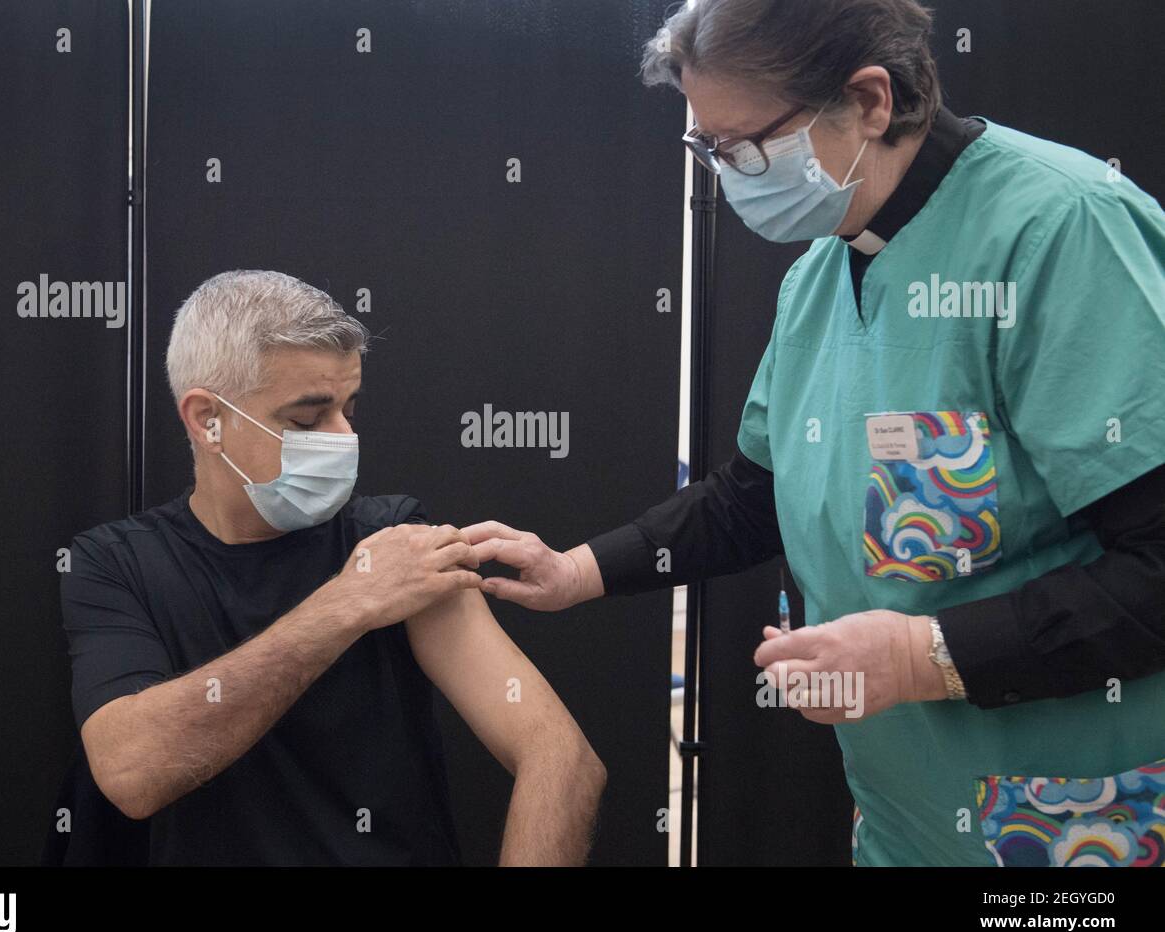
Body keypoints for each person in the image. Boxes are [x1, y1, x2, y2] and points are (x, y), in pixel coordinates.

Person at [466, 0, 1165, 866]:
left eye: (743, 147)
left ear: (870, 100)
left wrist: (923, 655)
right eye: (706, 148)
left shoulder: (1062, 230)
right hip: (907, 816)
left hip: (1078, 823)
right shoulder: (821, 275)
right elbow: (756, 497)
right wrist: (575, 570)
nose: (725, 173)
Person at [60, 270, 605, 865]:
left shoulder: (397, 541)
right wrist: (347, 605)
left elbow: (560, 758)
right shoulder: (117, 564)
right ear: (206, 420)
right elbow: (133, 772)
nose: (344, 436)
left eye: (350, 407)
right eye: (307, 417)